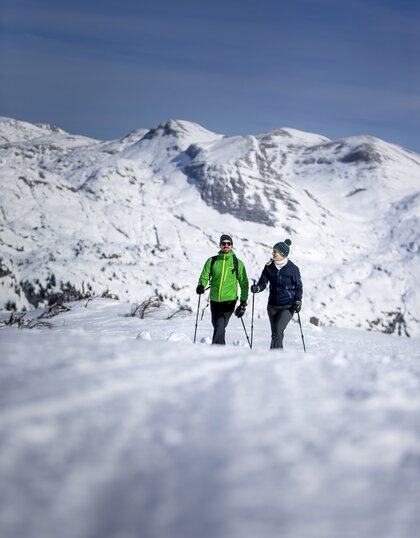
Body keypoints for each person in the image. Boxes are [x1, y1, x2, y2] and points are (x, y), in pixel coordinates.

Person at [196, 234, 249, 345]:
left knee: (220, 323)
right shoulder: (212, 261)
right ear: (220, 245)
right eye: (223, 243)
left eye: (228, 243)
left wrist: (243, 303)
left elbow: (244, 283)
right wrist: (201, 285)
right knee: (217, 325)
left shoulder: (237, 263)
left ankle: (216, 349)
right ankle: (221, 353)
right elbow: (205, 276)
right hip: (214, 300)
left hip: (229, 300)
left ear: (231, 246)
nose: (226, 245)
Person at [251, 239, 303, 349]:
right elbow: (263, 283)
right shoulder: (269, 267)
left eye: (275, 252)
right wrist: (257, 288)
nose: (272, 253)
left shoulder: (293, 269)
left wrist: (298, 301)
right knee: (275, 333)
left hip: (288, 306)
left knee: (277, 331)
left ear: (283, 254)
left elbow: (298, 287)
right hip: (272, 306)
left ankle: (276, 358)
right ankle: (275, 358)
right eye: (273, 251)